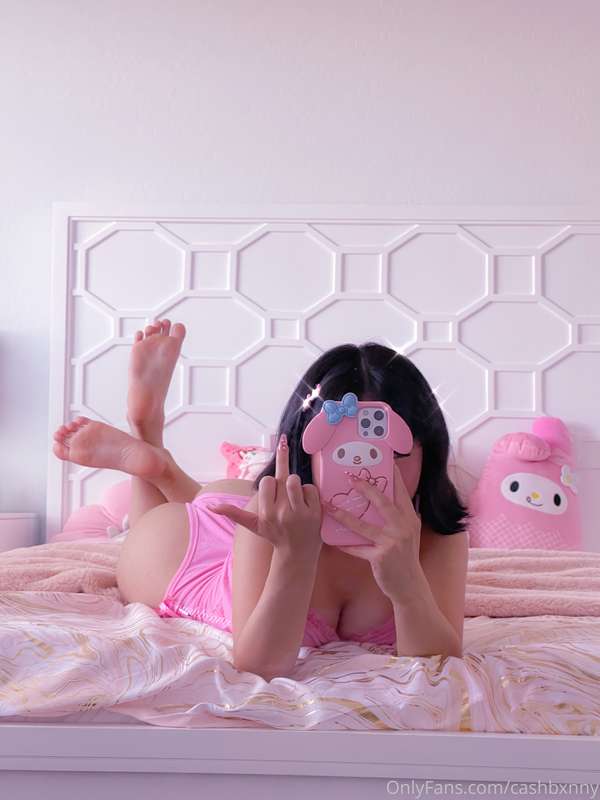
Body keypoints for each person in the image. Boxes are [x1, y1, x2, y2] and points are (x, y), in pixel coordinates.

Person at [52, 318, 470, 680]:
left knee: (234, 501)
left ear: (428, 453)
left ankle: (163, 467)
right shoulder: (269, 517)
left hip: (250, 515)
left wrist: (407, 585)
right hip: (222, 546)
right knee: (148, 540)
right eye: (342, 453)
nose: (364, 473)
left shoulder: (439, 536)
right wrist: (295, 556)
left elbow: (439, 666)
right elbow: (261, 667)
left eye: (388, 454)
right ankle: (147, 434)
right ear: (307, 450)